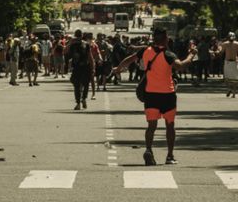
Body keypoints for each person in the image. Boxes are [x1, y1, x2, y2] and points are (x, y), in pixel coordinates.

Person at [113, 28, 197, 166]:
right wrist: (192, 55)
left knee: (151, 126)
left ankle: (148, 150)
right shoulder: (168, 54)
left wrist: (118, 68)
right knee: (170, 125)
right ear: (165, 39)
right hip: (167, 95)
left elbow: (130, 59)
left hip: (150, 94)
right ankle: (169, 156)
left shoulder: (146, 51)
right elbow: (181, 66)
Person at [65, 30, 95, 110]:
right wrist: (93, 68)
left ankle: (78, 103)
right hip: (85, 66)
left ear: (75, 35)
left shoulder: (72, 45)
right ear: (82, 36)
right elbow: (90, 57)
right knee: (86, 85)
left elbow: (65, 51)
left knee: (76, 86)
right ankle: (84, 98)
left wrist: (70, 42)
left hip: (77, 67)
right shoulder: (86, 44)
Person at [218, 33, 238, 98]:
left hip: (234, 62)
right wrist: (219, 49)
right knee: (226, 78)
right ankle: (230, 89)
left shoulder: (237, 44)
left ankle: (234, 94)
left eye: (232, 37)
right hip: (227, 62)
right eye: (230, 37)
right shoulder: (225, 44)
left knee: (235, 78)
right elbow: (221, 52)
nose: (231, 38)